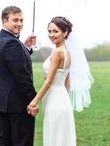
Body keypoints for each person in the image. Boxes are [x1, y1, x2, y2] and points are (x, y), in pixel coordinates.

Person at [0, 5, 39, 146]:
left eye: (22, 20)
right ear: (4, 21)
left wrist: (26, 47)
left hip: (1, 102)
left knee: (5, 141)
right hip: (17, 104)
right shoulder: (12, 43)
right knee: (22, 142)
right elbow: (21, 76)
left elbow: (9, 62)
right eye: (15, 20)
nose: (20, 24)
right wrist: (33, 100)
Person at [28, 16, 76, 146]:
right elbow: (67, 81)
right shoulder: (67, 52)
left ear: (65, 33)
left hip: (54, 98)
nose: (51, 34)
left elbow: (48, 82)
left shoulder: (57, 52)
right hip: (63, 99)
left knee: (54, 137)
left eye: (55, 31)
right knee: (62, 137)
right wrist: (65, 99)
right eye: (49, 31)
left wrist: (33, 102)